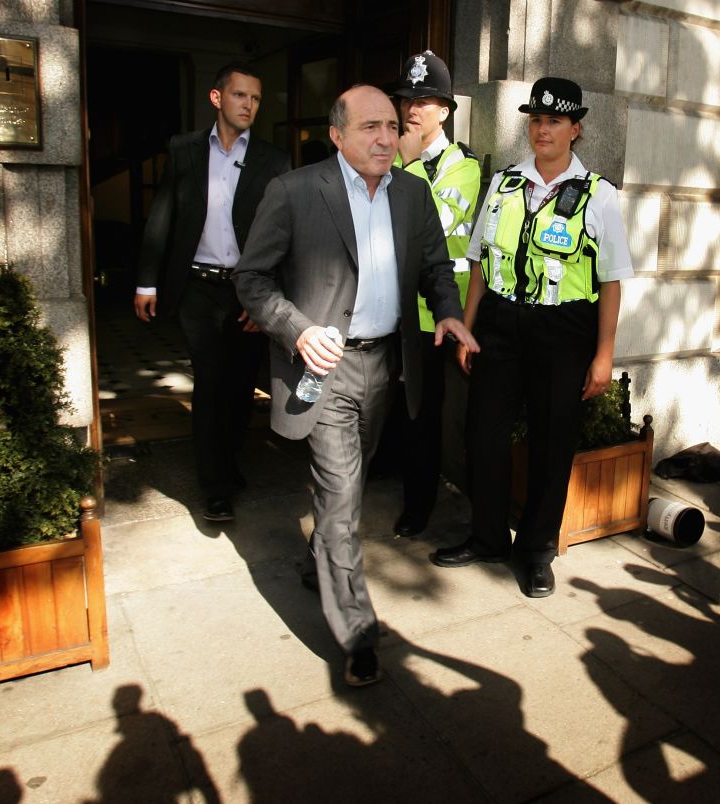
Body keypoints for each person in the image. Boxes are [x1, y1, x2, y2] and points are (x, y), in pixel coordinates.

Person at [233, 85, 478, 687]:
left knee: (350, 483)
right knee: (342, 495)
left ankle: (323, 558)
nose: (384, 138)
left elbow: (435, 267)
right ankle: (357, 634)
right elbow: (253, 278)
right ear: (337, 135)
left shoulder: (413, 194)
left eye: (392, 127)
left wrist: (447, 309)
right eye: (369, 127)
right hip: (324, 368)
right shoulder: (294, 191)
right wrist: (296, 330)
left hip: (387, 366)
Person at [432, 77, 633, 598]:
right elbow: (478, 265)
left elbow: (611, 283)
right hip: (500, 324)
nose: (542, 129)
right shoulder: (503, 184)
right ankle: (488, 536)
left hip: (563, 331)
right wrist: (468, 330)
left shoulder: (599, 195)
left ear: (575, 129)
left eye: (554, 121)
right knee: (483, 435)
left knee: (552, 442)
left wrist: (603, 356)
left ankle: (538, 551)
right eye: (536, 120)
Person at [134, 63, 290, 522]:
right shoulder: (183, 150)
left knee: (241, 388)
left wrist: (267, 299)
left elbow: (284, 235)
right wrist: (147, 280)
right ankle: (214, 486)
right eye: (241, 95)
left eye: (256, 99)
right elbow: (161, 215)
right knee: (210, 383)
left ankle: (226, 462)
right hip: (197, 288)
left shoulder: (273, 160)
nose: (249, 105)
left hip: (247, 290)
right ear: (217, 98)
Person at [388, 50, 481, 539]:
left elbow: (431, 232)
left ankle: (419, 507)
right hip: (398, 310)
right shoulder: (393, 159)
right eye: (407, 99)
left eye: (424, 100)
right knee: (399, 412)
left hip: (438, 317)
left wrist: (404, 166)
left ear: (444, 109)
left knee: (426, 419)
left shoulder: (461, 166)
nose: (411, 109)